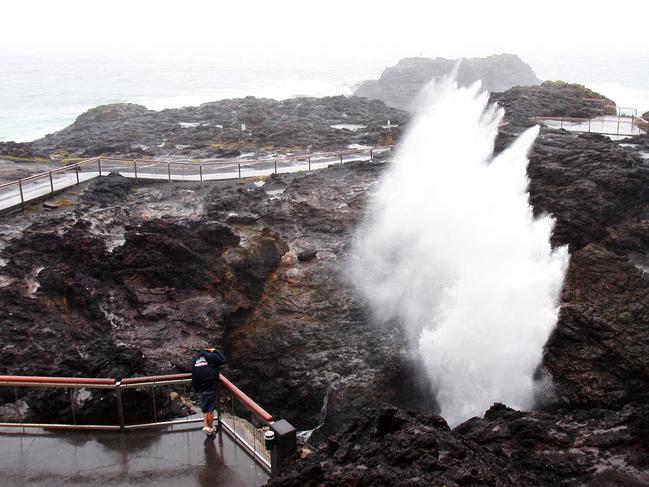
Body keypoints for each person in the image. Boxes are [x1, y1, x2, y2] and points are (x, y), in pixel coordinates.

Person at [191, 347, 226, 436]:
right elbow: (223, 360)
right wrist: (215, 351)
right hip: (210, 384)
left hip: (200, 385)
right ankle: (209, 428)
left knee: (205, 406)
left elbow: (193, 371)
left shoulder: (196, 359)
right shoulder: (212, 356)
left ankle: (206, 426)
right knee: (210, 408)